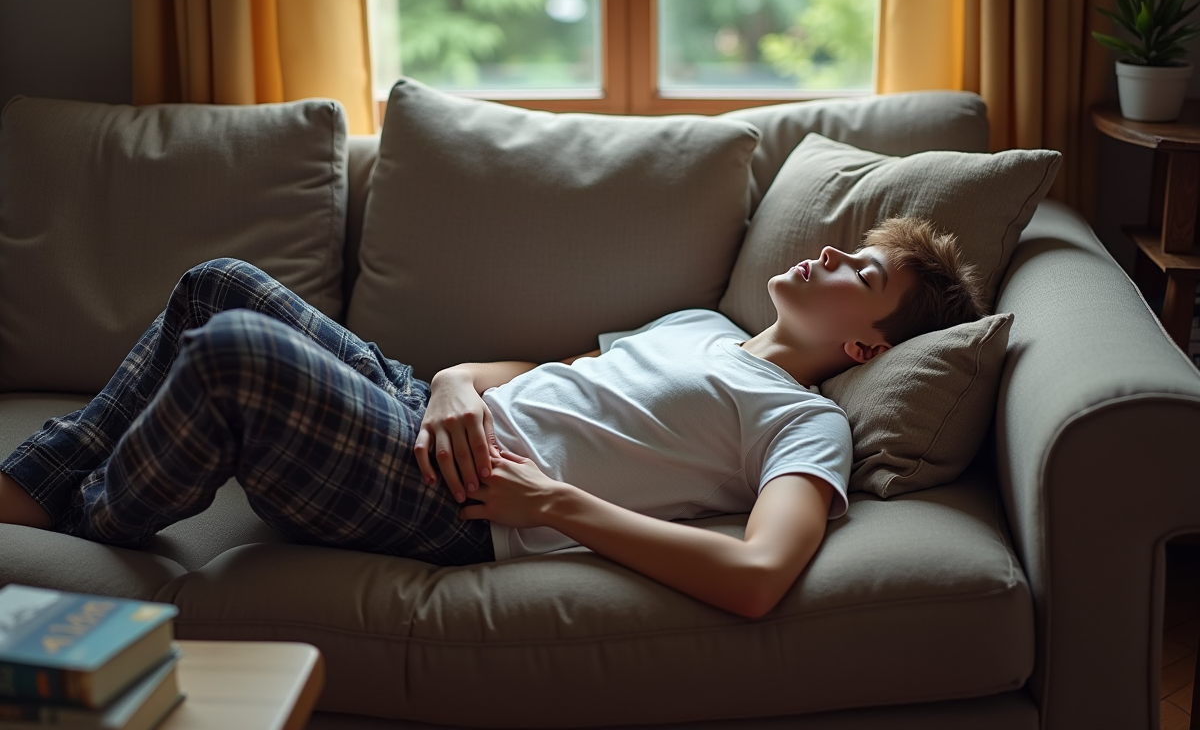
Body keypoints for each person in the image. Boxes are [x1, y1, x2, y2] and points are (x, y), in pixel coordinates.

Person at [0, 216, 984, 618]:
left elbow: (760, 575)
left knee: (233, 359)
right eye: (851, 243)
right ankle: (34, 490)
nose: (831, 254)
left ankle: (97, 524)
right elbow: (553, 369)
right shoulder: (702, 324)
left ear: (867, 348)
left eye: (864, 271)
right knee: (218, 283)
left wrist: (553, 499)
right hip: (429, 406)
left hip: (461, 498)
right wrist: (457, 380)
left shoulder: (808, 424)